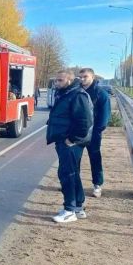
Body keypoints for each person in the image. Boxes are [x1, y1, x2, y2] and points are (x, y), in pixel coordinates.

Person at [47, 70, 93, 223]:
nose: (56, 83)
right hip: (64, 141)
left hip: (71, 143)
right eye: (56, 80)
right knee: (73, 174)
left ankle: (69, 210)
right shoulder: (66, 93)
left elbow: (85, 122)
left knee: (67, 175)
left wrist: (71, 139)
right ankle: (78, 208)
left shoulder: (77, 95)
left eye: (60, 80)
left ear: (69, 80)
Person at [78, 68, 110, 198]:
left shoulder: (101, 94)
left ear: (93, 77)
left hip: (93, 134)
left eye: (85, 77)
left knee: (95, 158)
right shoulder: (76, 91)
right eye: (80, 77)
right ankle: (73, 183)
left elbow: (104, 117)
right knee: (74, 160)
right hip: (76, 133)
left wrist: (96, 131)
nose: (82, 79)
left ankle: (97, 185)